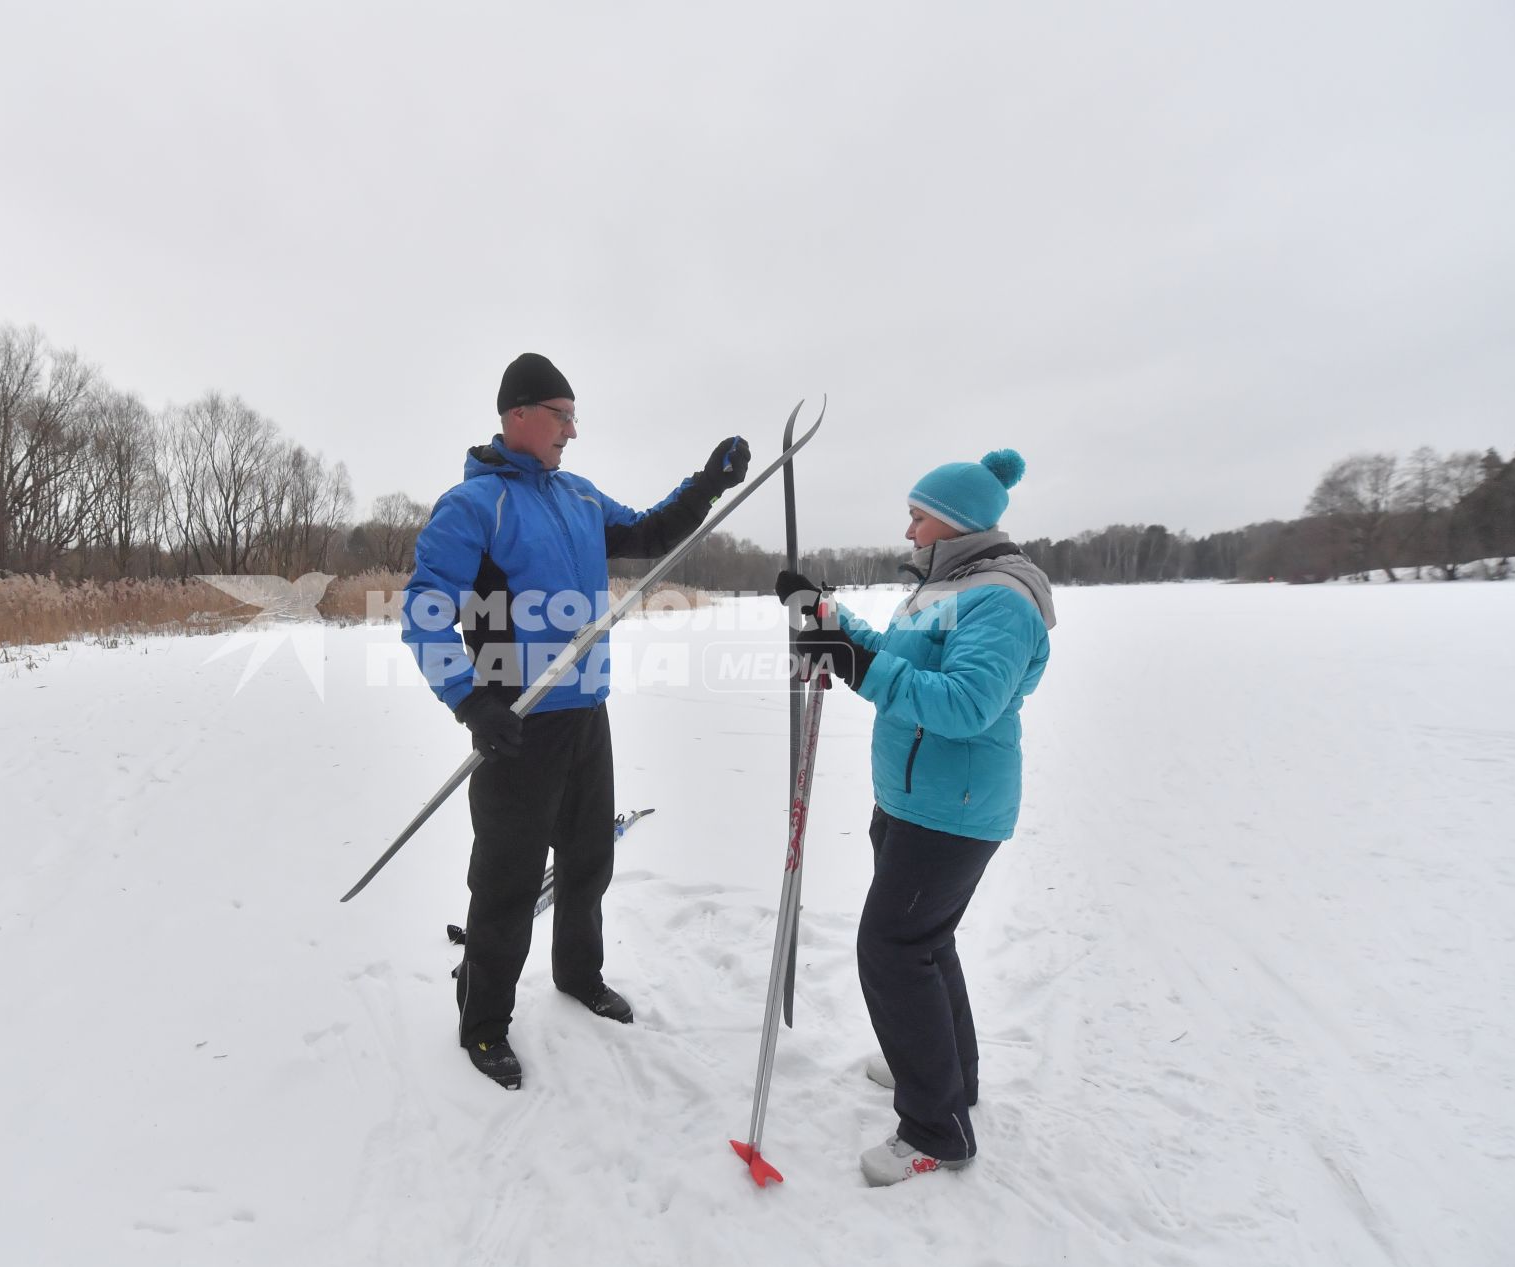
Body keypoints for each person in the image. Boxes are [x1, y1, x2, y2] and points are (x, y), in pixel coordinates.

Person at [401, 352, 750, 1090]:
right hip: (516, 721)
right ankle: (484, 1020)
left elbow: (652, 533)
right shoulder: (474, 507)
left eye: (573, 418)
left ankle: (577, 975)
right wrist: (470, 700)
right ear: (518, 415)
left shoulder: (581, 498)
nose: (572, 431)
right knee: (508, 880)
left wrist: (707, 484)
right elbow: (425, 609)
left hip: (586, 709)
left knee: (589, 862)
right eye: (562, 416)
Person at [775, 448, 1054, 1185]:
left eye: (918, 516)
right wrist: (828, 619)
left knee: (893, 950)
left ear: (954, 524)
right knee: (926, 943)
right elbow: (896, 656)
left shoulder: (1002, 599)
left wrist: (852, 662)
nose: (907, 530)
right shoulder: (945, 587)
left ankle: (936, 1127)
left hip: (952, 810)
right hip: (912, 799)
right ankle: (948, 1076)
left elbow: (964, 703)